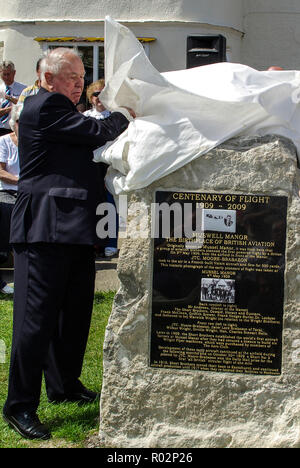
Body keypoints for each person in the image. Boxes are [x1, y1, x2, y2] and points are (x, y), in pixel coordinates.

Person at [2, 47, 135, 441]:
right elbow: (99, 132)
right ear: (46, 78)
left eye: (81, 75)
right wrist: (125, 114)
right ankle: (20, 406)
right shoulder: (45, 107)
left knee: (74, 314)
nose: (79, 82)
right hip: (43, 228)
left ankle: (63, 385)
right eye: (70, 75)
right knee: (34, 321)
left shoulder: (65, 113)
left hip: (76, 227)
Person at [84, 79, 119, 257]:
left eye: (103, 94)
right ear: (91, 97)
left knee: (110, 205)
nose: (99, 98)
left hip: (111, 166)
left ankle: (110, 242)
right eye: (96, 94)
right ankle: (93, 243)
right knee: (91, 207)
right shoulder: (84, 118)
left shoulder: (117, 118)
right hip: (89, 168)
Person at [0, 103, 22, 294]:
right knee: (12, 214)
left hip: (29, 191)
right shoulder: (4, 142)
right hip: (7, 191)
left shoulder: (35, 142)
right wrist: (20, 181)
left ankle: (25, 278)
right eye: (19, 122)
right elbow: (0, 171)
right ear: (12, 122)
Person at [0, 61, 26, 136]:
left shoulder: (23, 89)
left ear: (14, 73)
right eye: (4, 74)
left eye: (8, 74)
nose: (6, 77)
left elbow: (25, 106)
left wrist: (10, 98)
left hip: (16, 130)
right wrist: (11, 108)